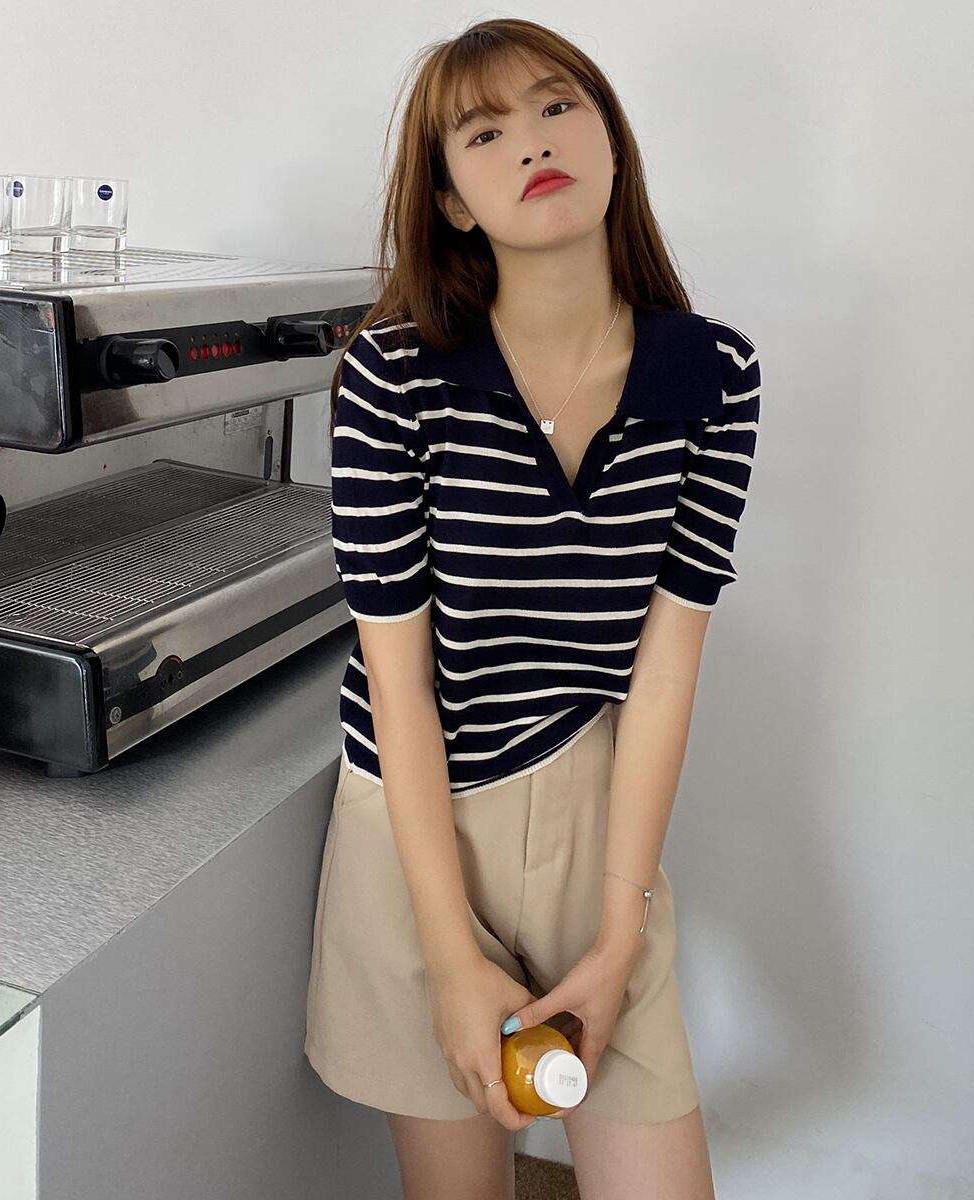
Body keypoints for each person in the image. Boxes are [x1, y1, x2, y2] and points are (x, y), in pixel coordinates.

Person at [304, 16, 761, 1200]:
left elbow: (666, 667)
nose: (533, 143)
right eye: (484, 132)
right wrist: (450, 953)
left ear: (611, 140)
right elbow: (397, 683)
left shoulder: (713, 375)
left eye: (559, 107)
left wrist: (620, 931)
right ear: (452, 201)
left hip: (598, 817)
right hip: (419, 827)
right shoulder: (392, 376)